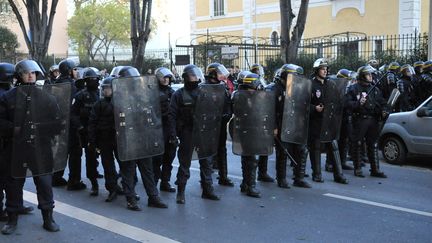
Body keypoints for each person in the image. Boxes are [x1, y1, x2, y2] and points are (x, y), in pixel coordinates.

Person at [0, 60, 62, 234]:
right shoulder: (7, 97)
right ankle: (12, 219)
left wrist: (43, 127)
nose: (30, 75)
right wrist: (14, 129)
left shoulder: (46, 97)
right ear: (18, 75)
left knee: (44, 183)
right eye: (27, 73)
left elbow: (58, 123)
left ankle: (48, 218)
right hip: (15, 148)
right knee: (13, 184)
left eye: (33, 73)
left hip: (40, 148)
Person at [113, 66, 168, 210]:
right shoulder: (117, 97)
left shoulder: (142, 95)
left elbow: (151, 114)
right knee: (128, 171)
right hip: (127, 139)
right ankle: (130, 198)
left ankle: (153, 196)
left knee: (147, 169)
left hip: (143, 138)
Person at [168, 64, 221, 204]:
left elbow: (212, 111)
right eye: (192, 75)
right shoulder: (178, 94)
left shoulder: (204, 91)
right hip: (188, 132)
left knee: (207, 162)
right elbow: (172, 116)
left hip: (203, 131)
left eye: (196, 74)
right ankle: (180, 191)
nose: (195, 77)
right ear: (186, 77)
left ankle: (207, 190)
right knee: (184, 163)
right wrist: (173, 135)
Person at [266, 64, 312, 188]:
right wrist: (274, 126)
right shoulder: (275, 89)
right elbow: (270, 109)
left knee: (302, 150)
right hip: (281, 124)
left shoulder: (297, 87)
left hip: (295, 124)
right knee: (283, 152)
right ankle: (281, 179)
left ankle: (299, 178)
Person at [308, 58, 348, 184]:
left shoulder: (331, 84)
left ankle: (339, 175)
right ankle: (317, 174)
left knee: (333, 146)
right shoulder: (310, 84)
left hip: (329, 122)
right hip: (316, 121)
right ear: (316, 70)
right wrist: (315, 108)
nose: (325, 71)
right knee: (316, 148)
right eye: (322, 69)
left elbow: (338, 100)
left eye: (326, 69)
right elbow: (303, 103)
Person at [231, 72, 270, 197]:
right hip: (246, 131)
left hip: (253, 130)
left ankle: (245, 184)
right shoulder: (240, 96)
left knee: (247, 158)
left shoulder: (251, 96)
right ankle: (251, 186)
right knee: (251, 159)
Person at [346, 65, 388, 178]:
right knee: (358, 144)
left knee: (373, 145)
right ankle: (358, 168)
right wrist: (358, 103)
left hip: (373, 120)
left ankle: (375, 169)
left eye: (370, 74)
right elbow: (347, 104)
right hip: (359, 119)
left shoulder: (374, 89)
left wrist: (384, 111)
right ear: (362, 76)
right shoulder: (353, 88)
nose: (370, 76)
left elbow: (382, 102)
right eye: (368, 74)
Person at [88, 77, 123, 202]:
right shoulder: (99, 104)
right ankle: (112, 188)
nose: (104, 90)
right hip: (105, 139)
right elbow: (92, 123)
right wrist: (93, 141)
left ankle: (126, 187)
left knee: (124, 164)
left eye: (106, 88)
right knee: (108, 165)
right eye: (103, 88)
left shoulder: (121, 102)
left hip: (119, 139)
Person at [71, 67, 101, 196]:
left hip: (100, 131)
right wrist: (80, 128)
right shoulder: (80, 95)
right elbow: (73, 114)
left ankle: (113, 183)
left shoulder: (102, 94)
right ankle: (94, 183)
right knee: (90, 158)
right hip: (86, 131)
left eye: (95, 79)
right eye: (90, 80)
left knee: (104, 158)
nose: (93, 82)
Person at [205, 63, 234, 187]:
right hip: (208, 125)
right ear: (213, 73)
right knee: (207, 152)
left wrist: (228, 114)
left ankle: (223, 176)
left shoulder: (223, 87)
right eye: (219, 73)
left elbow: (228, 104)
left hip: (221, 124)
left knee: (222, 150)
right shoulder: (204, 87)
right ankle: (206, 180)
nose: (222, 75)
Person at [152, 67, 177, 192]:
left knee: (169, 156)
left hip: (170, 128)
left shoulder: (172, 92)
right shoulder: (152, 92)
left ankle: (165, 182)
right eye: (163, 77)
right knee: (157, 159)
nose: (166, 79)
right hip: (157, 128)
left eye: (167, 77)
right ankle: (154, 183)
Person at [250, 63, 274, 183]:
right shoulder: (248, 83)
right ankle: (249, 180)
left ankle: (262, 172)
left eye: (259, 71)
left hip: (263, 116)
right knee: (252, 151)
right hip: (253, 119)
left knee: (265, 147)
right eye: (256, 71)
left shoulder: (263, 83)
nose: (258, 73)